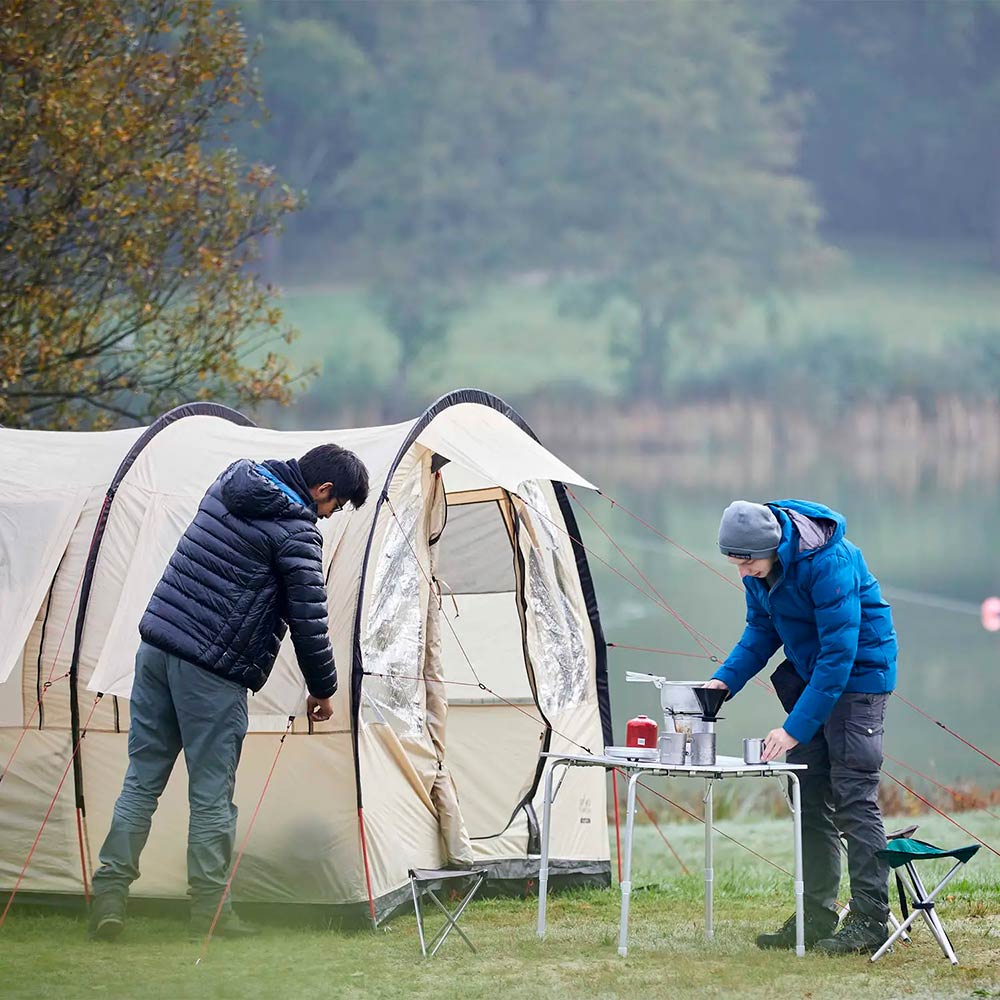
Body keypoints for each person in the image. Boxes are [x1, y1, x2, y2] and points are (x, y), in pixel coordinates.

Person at [88, 444, 369, 942]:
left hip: (155, 649)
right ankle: (211, 914)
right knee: (212, 796)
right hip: (212, 671)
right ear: (323, 490)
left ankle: (108, 900)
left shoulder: (230, 482)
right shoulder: (297, 532)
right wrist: (323, 690)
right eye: (336, 506)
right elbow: (309, 622)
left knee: (140, 782)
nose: (329, 516)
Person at [706, 499, 897, 955]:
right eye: (733, 563)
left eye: (747, 562)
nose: (742, 573)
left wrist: (792, 729)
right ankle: (816, 914)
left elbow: (838, 656)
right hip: (816, 677)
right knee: (807, 797)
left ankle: (870, 919)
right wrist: (722, 682)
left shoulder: (830, 561)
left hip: (859, 678)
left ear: (772, 546)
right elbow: (760, 632)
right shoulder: (760, 569)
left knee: (852, 795)